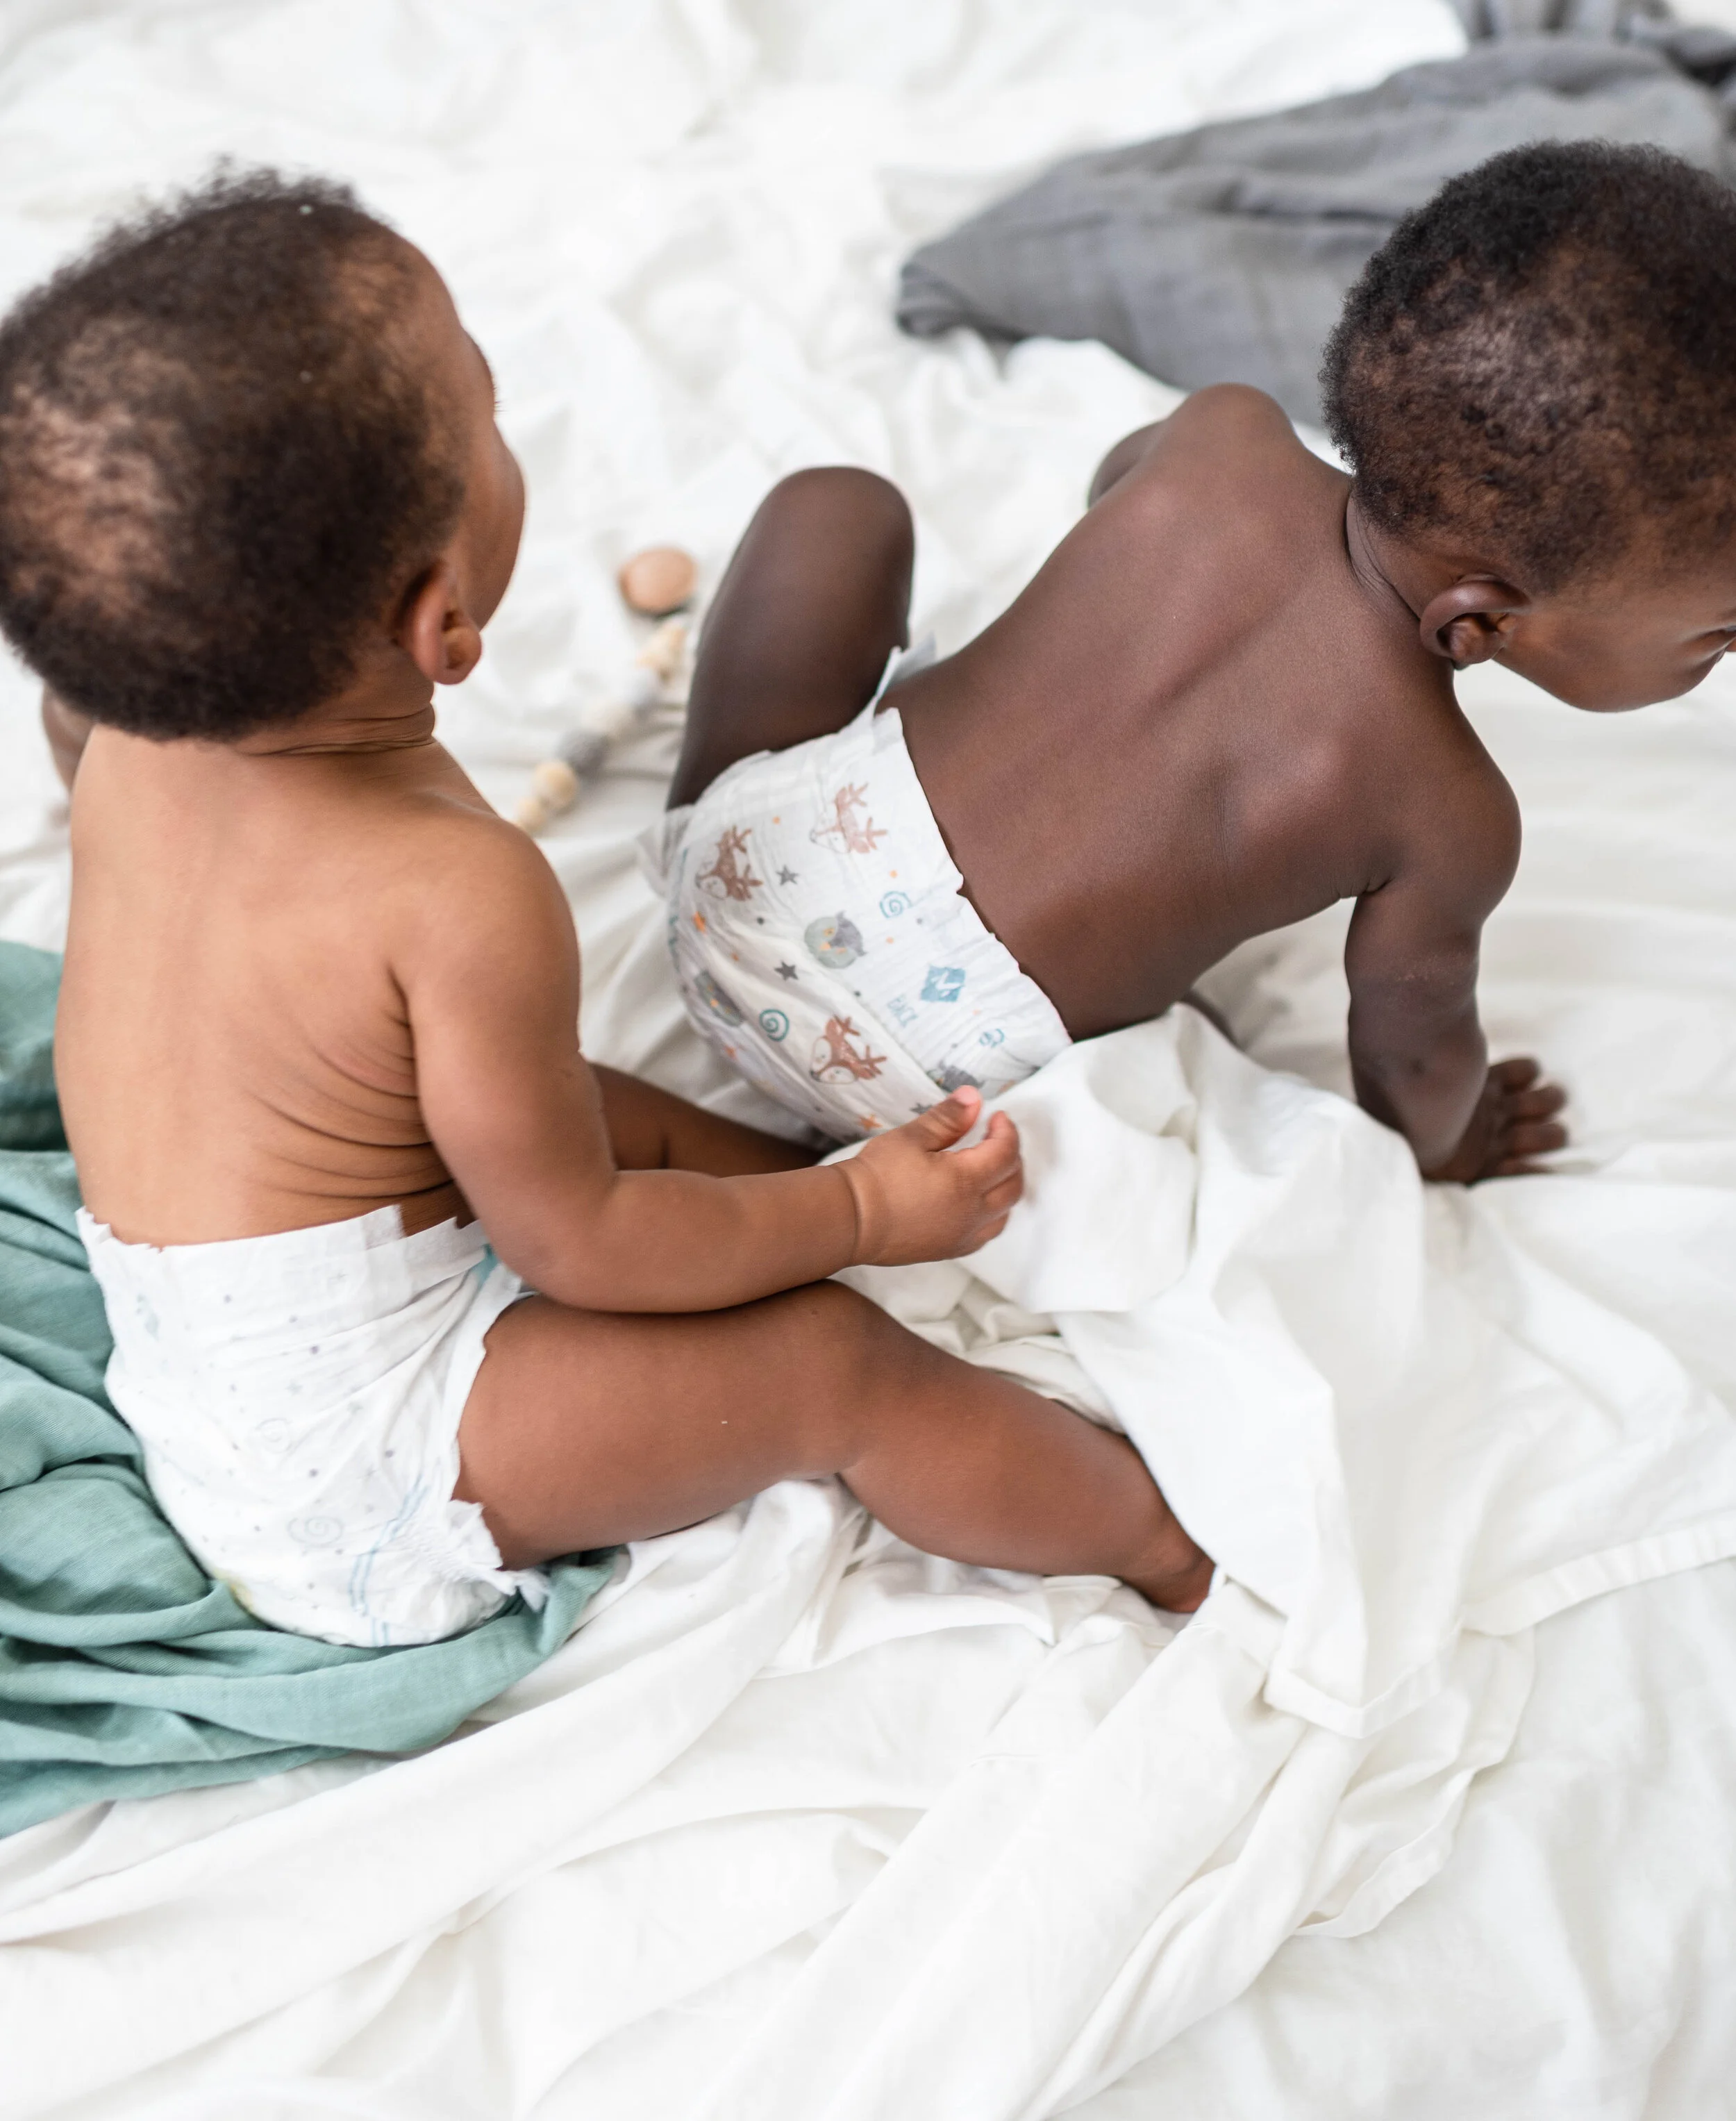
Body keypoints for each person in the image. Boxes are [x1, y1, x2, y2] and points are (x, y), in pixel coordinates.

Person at [5, 172, 1211, 1647]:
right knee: (832, 1366)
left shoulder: (124, 732)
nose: (508, 427)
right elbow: (575, 1246)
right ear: (440, 621)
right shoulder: (454, 894)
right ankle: (1167, 1548)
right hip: (365, 1470)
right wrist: (855, 1215)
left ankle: (780, 1183)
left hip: (237, 1326)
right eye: (489, 408)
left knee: (564, 1102)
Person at [656, 140, 1736, 1179]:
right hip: (933, 1090)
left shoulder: (1219, 431)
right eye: (1719, 631)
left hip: (734, 887)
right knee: (1192, 1058)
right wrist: (1457, 1149)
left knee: (837, 506)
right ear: (1483, 624)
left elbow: (1109, 493)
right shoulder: (1450, 813)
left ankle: (697, 799)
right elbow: (1412, 1049)